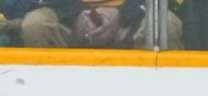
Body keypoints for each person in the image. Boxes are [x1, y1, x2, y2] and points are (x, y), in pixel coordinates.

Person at [5, 0, 183, 48]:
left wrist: (123, 14)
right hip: (66, 17)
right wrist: (74, 14)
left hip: (134, 17)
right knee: (36, 25)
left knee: (166, 25)